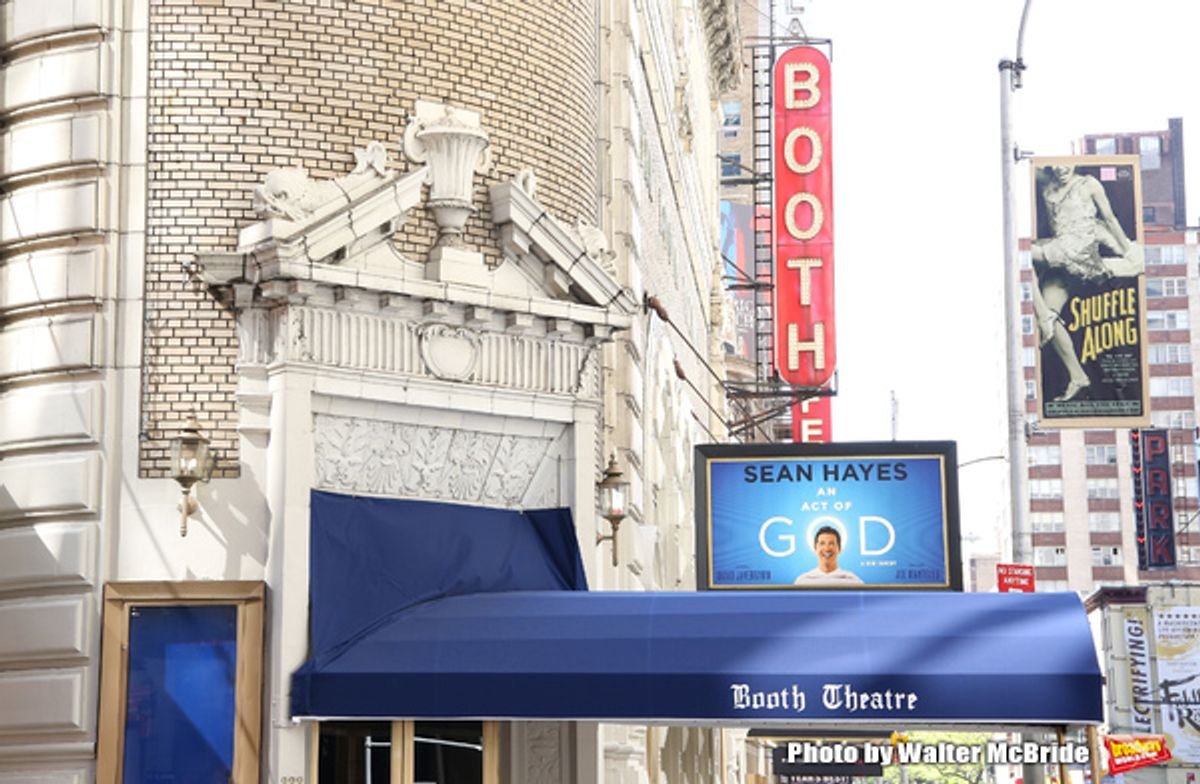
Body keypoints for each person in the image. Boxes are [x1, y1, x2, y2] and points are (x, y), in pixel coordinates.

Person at [1030, 164, 1145, 402]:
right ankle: (1078, 377)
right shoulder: (1046, 180)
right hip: (1060, 256)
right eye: (1055, 165)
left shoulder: (1089, 184)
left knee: (1019, 252)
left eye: (1065, 165)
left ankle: (1136, 262)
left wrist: (1127, 249)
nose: (1061, 169)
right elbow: (1023, 168)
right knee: (1049, 320)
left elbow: (1109, 219)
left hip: (1077, 252)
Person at [794, 526, 863, 585]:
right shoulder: (802, 582)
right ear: (815, 548)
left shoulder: (853, 581)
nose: (827, 548)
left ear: (839, 548)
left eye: (831, 543)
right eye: (822, 543)